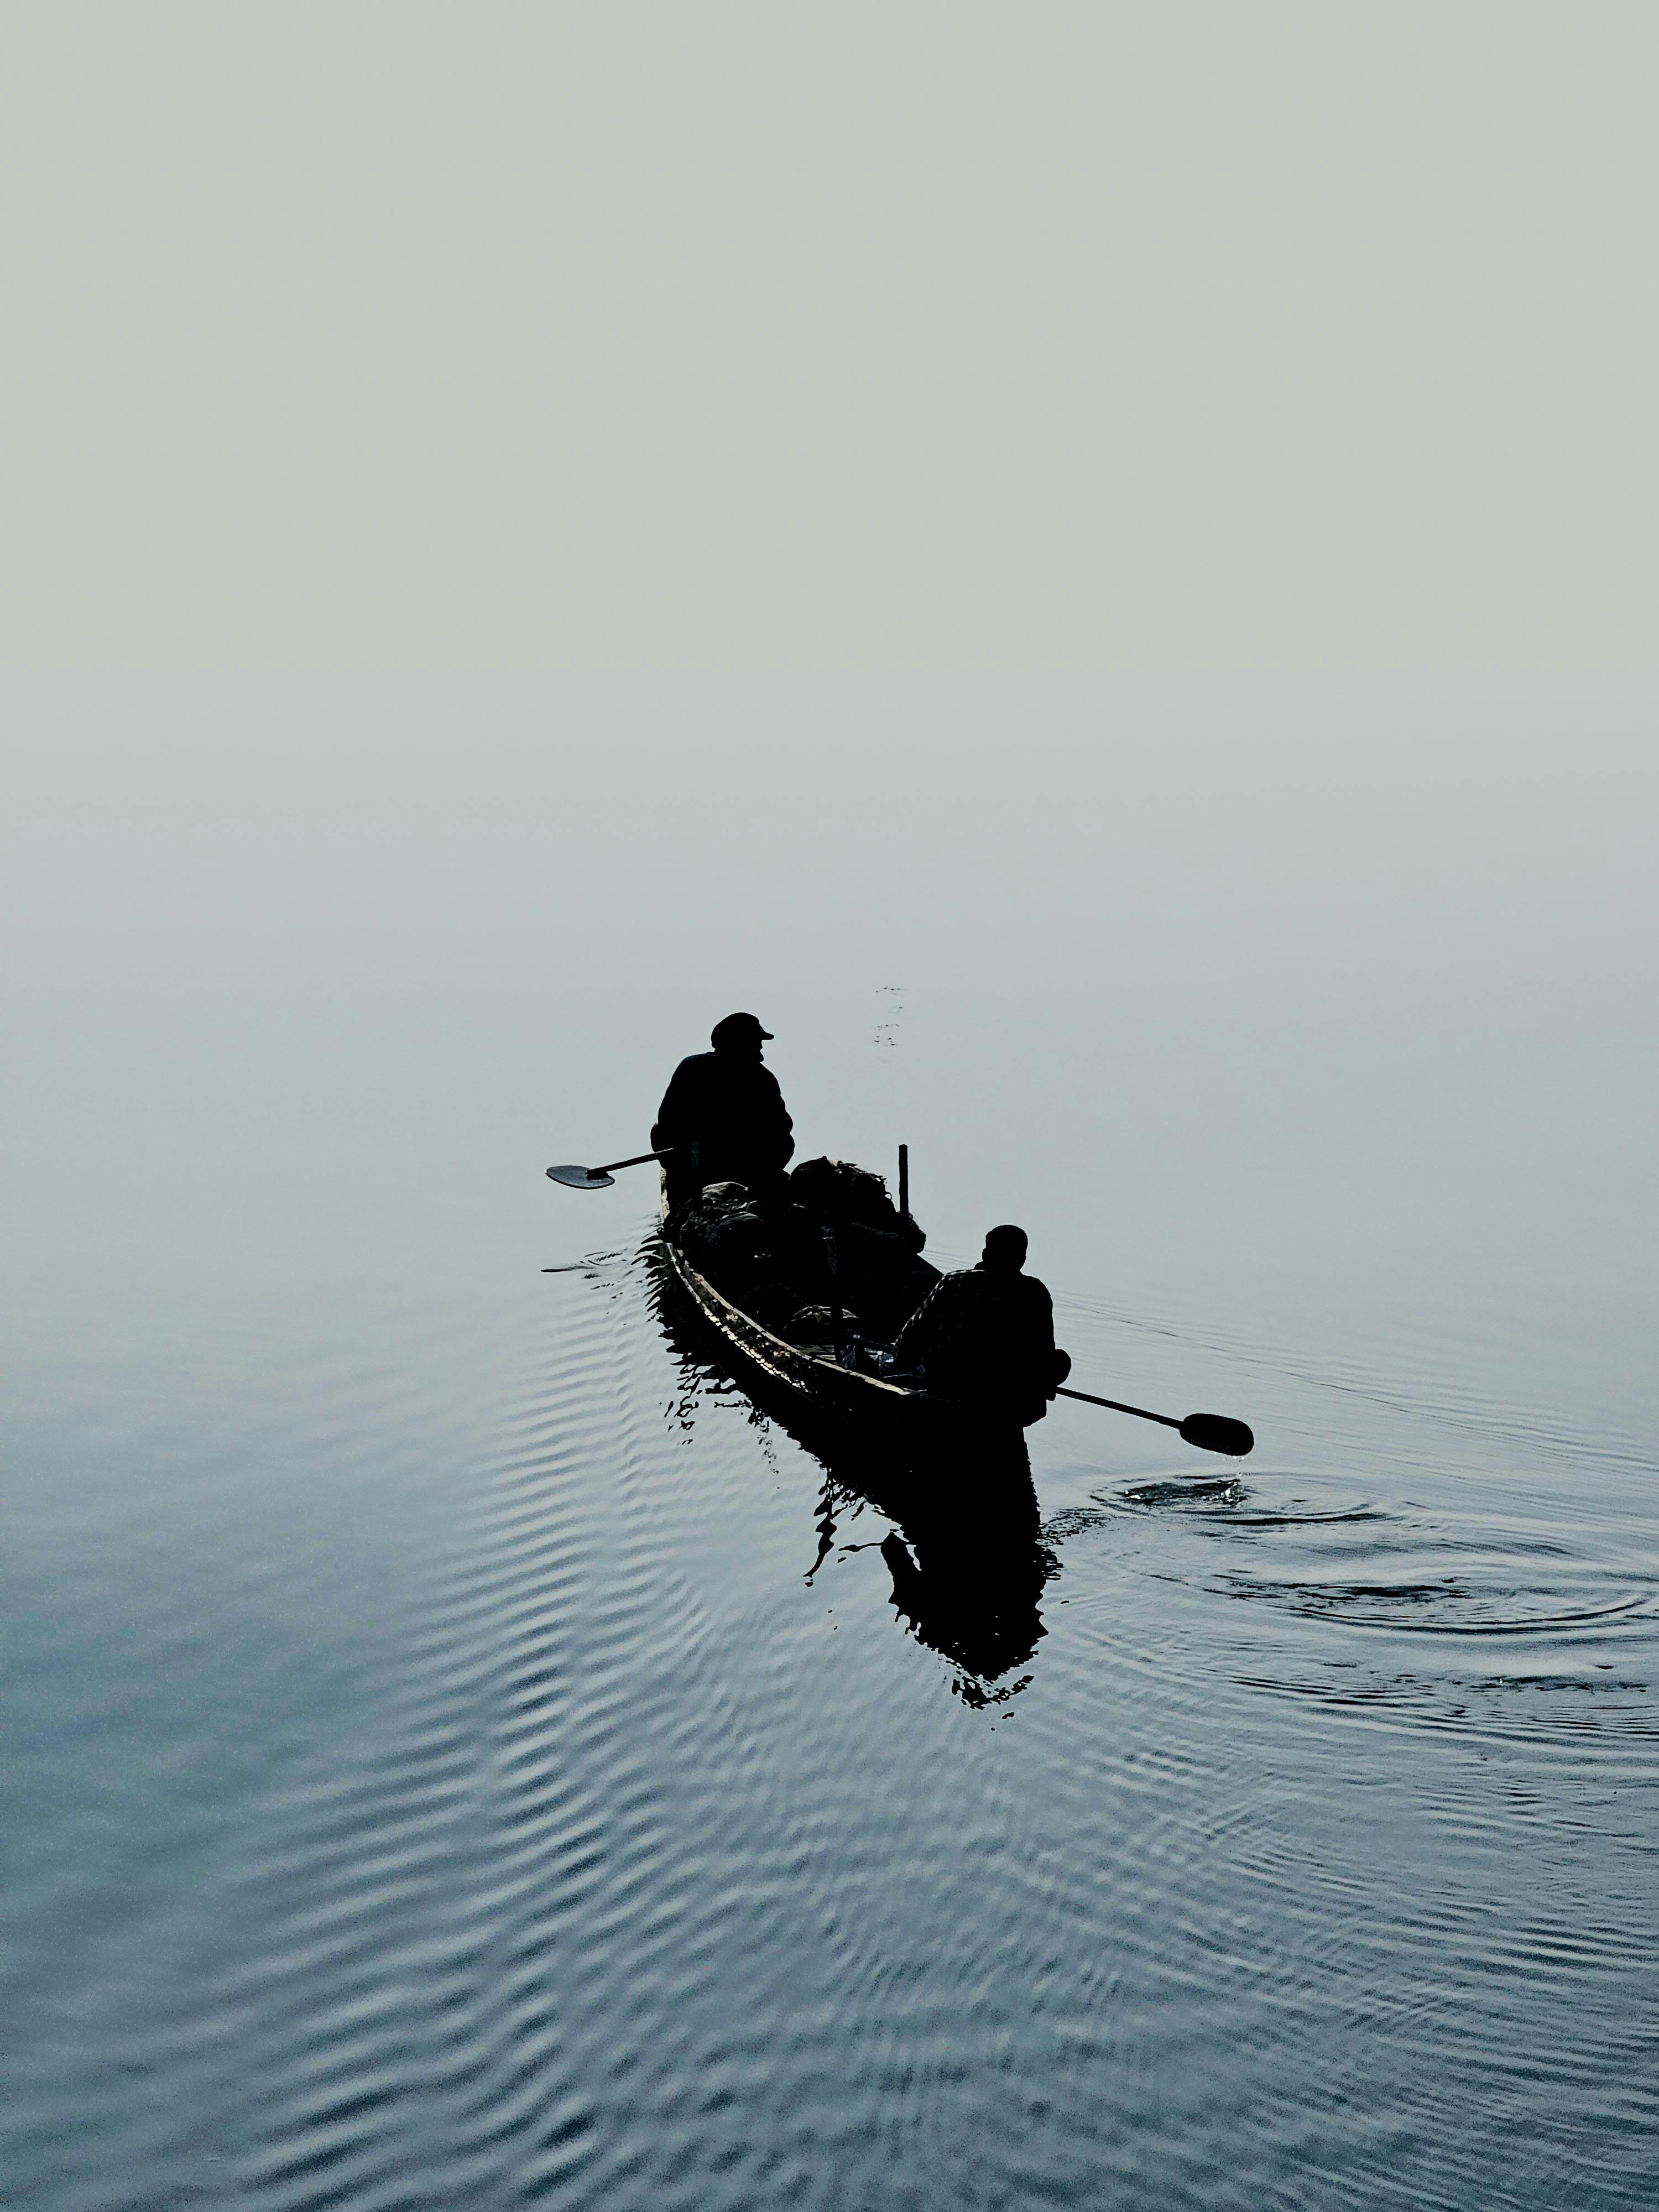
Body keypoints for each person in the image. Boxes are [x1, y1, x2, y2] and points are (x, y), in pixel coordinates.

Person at [889, 1224, 1071, 1424]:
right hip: (1009, 1395)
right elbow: (1044, 1350)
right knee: (1060, 1359)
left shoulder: (952, 1282)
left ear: (985, 1254)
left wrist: (901, 1362)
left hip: (948, 1383)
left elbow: (909, 1341)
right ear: (1022, 1261)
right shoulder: (1035, 1292)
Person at [653, 1012, 795, 1206]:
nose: (761, 1046)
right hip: (728, 1164)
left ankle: (685, 1190)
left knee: (658, 1131)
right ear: (740, 1042)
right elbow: (783, 1125)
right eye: (756, 1041)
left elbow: (667, 1117)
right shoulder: (762, 1077)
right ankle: (757, 1187)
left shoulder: (692, 1066)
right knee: (785, 1141)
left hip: (705, 1164)